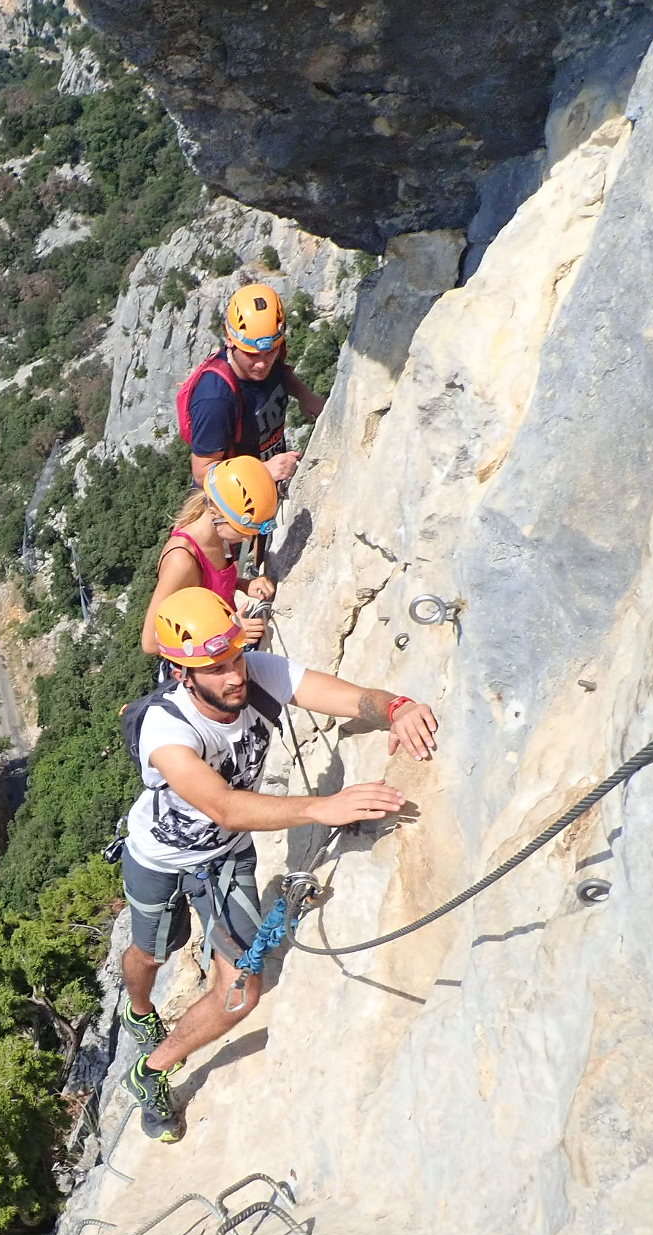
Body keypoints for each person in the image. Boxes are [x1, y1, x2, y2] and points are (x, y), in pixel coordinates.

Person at [119, 586, 439, 1141]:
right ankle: (140, 1009)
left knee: (241, 993)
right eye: (215, 668)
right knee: (149, 954)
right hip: (158, 855)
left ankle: (151, 1070)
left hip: (224, 856)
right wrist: (322, 807)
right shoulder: (167, 729)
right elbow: (222, 804)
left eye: (236, 657)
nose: (234, 676)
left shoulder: (259, 674)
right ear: (181, 675)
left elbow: (346, 697)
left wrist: (395, 708)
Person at [175, 283, 327, 486]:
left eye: (270, 352)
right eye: (251, 355)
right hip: (235, 500)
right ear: (230, 340)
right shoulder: (215, 399)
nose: (262, 364)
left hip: (267, 477)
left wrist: (305, 396)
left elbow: (279, 371)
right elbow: (202, 474)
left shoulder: (267, 351)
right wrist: (264, 470)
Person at [139, 456, 279, 657]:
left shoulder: (219, 533)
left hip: (226, 654)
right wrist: (231, 633)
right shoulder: (182, 560)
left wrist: (243, 585)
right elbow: (151, 642)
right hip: (203, 669)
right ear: (214, 513)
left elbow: (207, 584)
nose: (248, 538)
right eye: (243, 530)